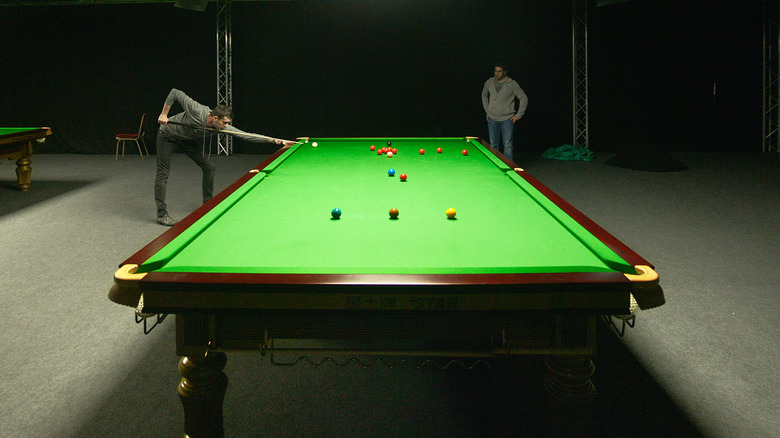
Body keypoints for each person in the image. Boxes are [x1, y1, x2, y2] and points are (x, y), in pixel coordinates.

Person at [155, 88, 294, 226]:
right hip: (167, 136)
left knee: (209, 168)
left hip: (187, 140)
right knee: (163, 174)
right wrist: (164, 114)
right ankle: (161, 215)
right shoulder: (197, 110)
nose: (226, 126)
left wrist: (275, 140)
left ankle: (207, 206)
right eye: (225, 123)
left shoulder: (220, 126)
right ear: (215, 118)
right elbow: (175, 92)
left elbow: (245, 134)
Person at [481, 63, 528, 162]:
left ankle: (509, 166)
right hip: (492, 118)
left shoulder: (511, 84)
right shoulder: (489, 82)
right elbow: (484, 96)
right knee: (493, 144)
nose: (497, 73)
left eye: (499, 71)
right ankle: (495, 166)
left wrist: (518, 115)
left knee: (508, 146)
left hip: (507, 119)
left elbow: (523, 98)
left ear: (504, 72)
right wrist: (487, 110)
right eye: (495, 71)